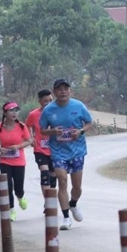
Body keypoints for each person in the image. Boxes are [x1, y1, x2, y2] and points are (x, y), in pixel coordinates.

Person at [39, 79, 93, 230]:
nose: (63, 91)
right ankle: (66, 218)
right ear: (54, 92)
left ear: (70, 91)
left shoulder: (78, 106)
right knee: (62, 181)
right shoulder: (49, 110)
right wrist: (53, 132)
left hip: (77, 150)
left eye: (66, 89)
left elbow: (89, 123)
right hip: (58, 151)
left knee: (77, 187)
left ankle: (73, 204)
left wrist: (80, 131)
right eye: (59, 89)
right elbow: (42, 130)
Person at [0, 102, 32, 220]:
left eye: (16, 110)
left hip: (19, 161)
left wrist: (18, 146)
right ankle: (11, 210)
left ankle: (20, 196)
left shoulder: (21, 126)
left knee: (18, 187)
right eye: (11, 110)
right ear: (5, 113)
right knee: (7, 186)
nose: (15, 113)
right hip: (5, 161)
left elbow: (29, 141)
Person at [25, 90, 57, 205]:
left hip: (55, 150)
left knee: (53, 176)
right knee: (45, 173)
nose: (48, 103)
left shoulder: (57, 112)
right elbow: (27, 126)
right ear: (39, 101)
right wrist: (31, 138)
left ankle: (51, 198)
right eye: (45, 101)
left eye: (50, 101)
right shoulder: (33, 115)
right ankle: (48, 201)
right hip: (40, 149)